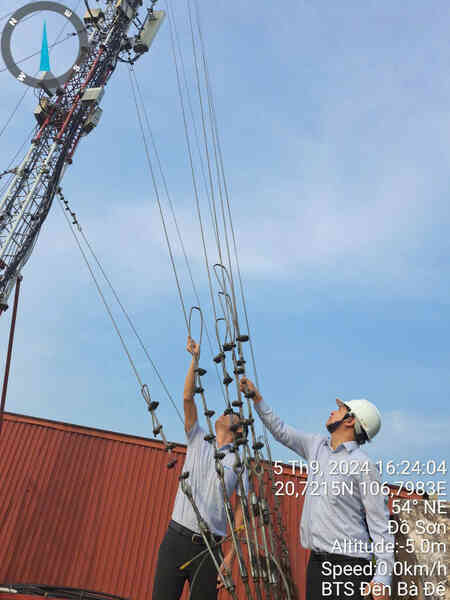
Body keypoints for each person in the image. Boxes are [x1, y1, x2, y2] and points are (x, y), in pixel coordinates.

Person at [240, 376, 394, 600]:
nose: (333, 412)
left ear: (350, 421)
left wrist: (382, 578)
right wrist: (257, 398)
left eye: (340, 410)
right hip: (317, 565)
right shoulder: (316, 446)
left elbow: (380, 525)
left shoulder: (363, 465)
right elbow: (281, 431)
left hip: (350, 567)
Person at [152, 336, 247, 600]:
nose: (224, 412)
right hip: (176, 537)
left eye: (231, 413)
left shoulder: (239, 464)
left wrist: (231, 557)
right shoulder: (198, 439)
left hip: (209, 550)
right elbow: (187, 398)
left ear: (238, 429)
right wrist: (195, 360)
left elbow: (241, 512)